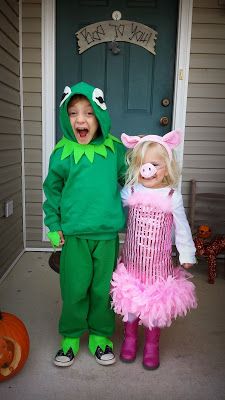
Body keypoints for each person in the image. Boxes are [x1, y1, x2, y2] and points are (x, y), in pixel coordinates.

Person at [43, 81, 126, 367]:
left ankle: (101, 335)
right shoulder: (62, 152)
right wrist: (53, 225)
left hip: (105, 235)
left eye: (89, 113)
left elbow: (130, 180)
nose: (81, 119)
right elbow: (52, 190)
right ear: (66, 118)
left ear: (100, 116)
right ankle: (70, 336)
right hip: (74, 235)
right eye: (74, 113)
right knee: (74, 287)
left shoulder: (115, 150)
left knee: (103, 289)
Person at [111, 130, 197, 370]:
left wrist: (187, 254)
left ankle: (151, 343)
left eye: (155, 164)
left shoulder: (172, 196)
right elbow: (112, 211)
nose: (147, 169)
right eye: (142, 164)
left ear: (167, 168)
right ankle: (129, 337)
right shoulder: (131, 191)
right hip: (133, 262)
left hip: (158, 265)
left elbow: (182, 228)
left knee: (155, 305)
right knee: (130, 301)